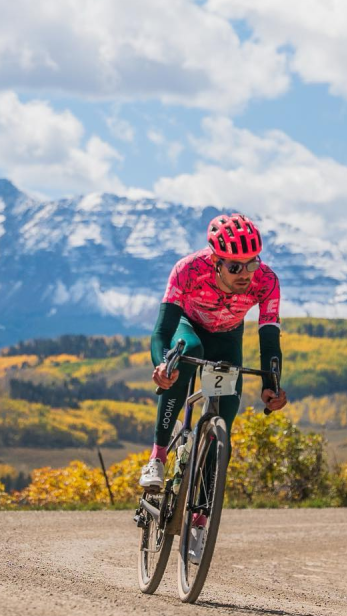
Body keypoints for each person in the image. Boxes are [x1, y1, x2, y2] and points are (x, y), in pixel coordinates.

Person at [139, 213, 288, 558]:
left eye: (251, 264)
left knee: (226, 414)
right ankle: (158, 457)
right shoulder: (188, 270)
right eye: (235, 268)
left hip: (228, 337)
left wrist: (272, 384)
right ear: (215, 261)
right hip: (188, 328)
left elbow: (269, 339)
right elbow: (162, 331)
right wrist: (162, 365)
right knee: (187, 354)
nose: (245, 275)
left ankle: (199, 521)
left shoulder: (266, 281)